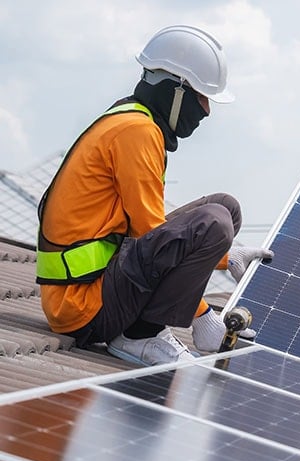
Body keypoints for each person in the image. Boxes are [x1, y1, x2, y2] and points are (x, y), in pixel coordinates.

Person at [36, 25, 272, 366]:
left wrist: (226, 258)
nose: (207, 110)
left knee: (224, 207)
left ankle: (145, 325)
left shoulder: (133, 118)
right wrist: (203, 316)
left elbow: (151, 236)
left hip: (95, 285)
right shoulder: (138, 131)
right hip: (84, 306)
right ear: (175, 90)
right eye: (202, 96)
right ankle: (141, 334)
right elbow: (149, 232)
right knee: (215, 222)